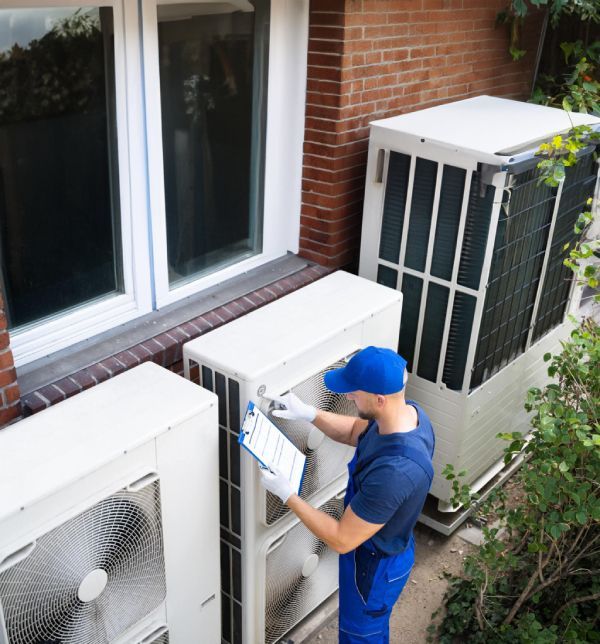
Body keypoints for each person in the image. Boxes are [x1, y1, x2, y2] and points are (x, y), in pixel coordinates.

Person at [259, 346, 435, 644]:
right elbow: (356, 429)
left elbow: (342, 538)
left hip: (374, 566)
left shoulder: (395, 472)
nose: (349, 397)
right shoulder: (408, 414)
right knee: (371, 631)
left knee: (360, 635)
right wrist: (309, 413)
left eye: (354, 392)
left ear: (379, 400)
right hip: (375, 545)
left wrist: (288, 495)